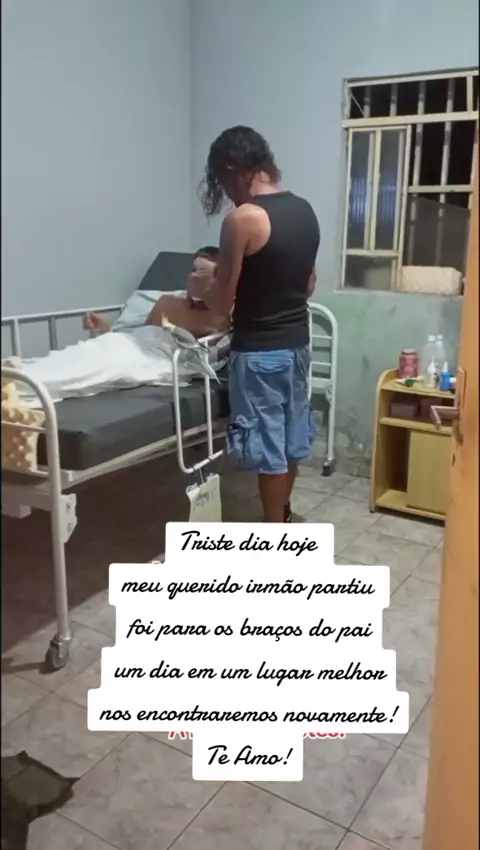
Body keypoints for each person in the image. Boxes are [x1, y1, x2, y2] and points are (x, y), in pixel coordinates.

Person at [193, 126, 320, 523]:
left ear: (234, 168)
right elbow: (309, 284)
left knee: (268, 451)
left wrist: (205, 285)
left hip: (259, 352)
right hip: (298, 346)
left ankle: (272, 534)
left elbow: (221, 304)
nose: (226, 191)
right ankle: (282, 515)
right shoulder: (304, 210)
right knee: (290, 441)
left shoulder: (243, 219)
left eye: (223, 180)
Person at [82, 247, 228, 338]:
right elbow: (139, 341)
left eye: (202, 274)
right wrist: (106, 330)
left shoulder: (223, 317)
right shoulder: (166, 302)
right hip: (134, 354)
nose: (193, 277)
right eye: (192, 270)